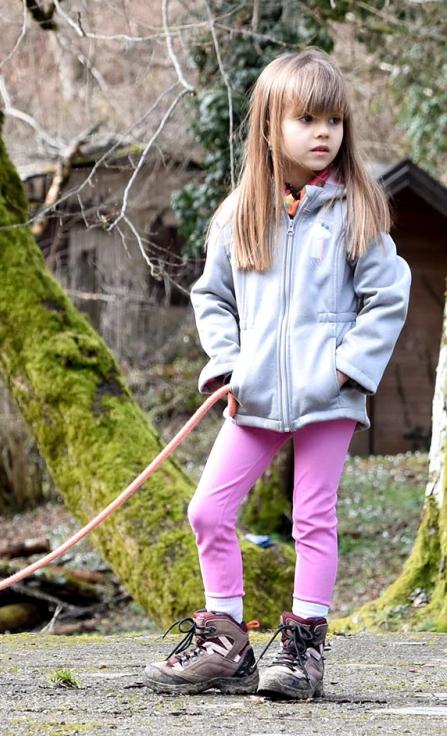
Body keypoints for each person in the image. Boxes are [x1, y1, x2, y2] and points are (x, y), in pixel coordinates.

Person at [143, 49, 410, 700]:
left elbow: (389, 296)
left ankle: (302, 652)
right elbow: (211, 298)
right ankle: (226, 644)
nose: (325, 134)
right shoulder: (239, 215)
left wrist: (349, 367)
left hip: (329, 397)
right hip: (256, 395)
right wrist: (228, 365)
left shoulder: (356, 211)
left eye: (335, 121)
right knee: (207, 510)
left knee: (312, 520)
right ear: (270, 126)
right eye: (308, 119)